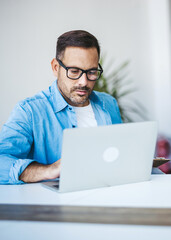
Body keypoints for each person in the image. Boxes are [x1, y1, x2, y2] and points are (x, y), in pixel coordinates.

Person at [0, 30, 122, 184]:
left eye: (91, 72)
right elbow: (2, 162)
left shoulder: (108, 103)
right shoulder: (29, 111)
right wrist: (49, 170)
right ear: (56, 67)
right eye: (74, 71)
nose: (84, 82)